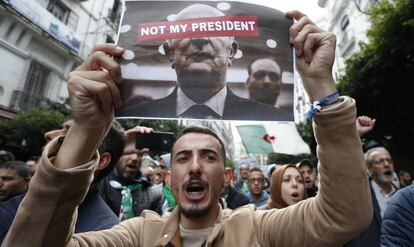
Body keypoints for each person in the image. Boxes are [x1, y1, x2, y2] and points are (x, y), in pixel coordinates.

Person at [3, 10, 373, 246]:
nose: (195, 165)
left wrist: (323, 90)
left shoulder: (260, 229)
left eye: (208, 156)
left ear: (227, 175)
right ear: (167, 176)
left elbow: (344, 216)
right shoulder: (137, 236)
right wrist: (85, 130)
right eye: (183, 157)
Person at [118, 4, 292, 121]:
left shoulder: (274, 118)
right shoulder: (131, 116)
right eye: (186, 29)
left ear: (230, 52)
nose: (200, 38)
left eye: (213, 29)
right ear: (170, 52)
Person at [99, 126, 163, 220]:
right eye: (128, 153)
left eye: (140, 154)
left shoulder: (153, 194)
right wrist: (117, 144)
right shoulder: (99, 183)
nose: (134, 158)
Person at [344, 147, 397, 247]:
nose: (386, 164)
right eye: (380, 161)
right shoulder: (357, 197)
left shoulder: (404, 196)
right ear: (369, 169)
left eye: (389, 160)